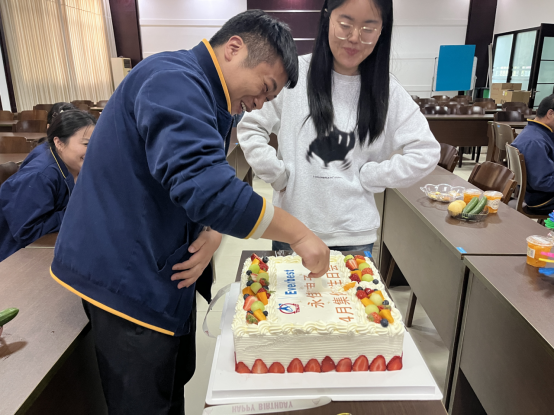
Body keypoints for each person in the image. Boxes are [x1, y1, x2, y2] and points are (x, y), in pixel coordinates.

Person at [50, 11, 329, 415]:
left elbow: (193, 177)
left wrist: (212, 229)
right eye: (264, 89)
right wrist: (299, 234)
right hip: (127, 278)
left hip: (163, 266)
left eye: (268, 100)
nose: (257, 104)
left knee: (171, 384)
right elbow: (207, 188)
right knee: (144, 402)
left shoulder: (211, 94)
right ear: (234, 48)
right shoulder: (172, 80)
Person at [238, 0, 440, 253]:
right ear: (327, 18)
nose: (354, 37)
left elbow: (426, 151)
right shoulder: (294, 75)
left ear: (382, 30)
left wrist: (372, 176)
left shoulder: (388, 91)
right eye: (345, 24)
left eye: (368, 28)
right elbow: (251, 127)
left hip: (354, 235)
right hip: (292, 229)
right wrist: (275, 174)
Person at [0, 110, 95, 262]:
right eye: (86, 144)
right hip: (15, 257)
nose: (94, 150)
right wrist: (77, 212)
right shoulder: (39, 176)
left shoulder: (66, 160)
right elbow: (28, 232)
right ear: (59, 143)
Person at [512, 94, 554, 214]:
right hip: (542, 199)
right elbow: (542, 182)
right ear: (550, 113)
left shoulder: (535, 132)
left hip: (537, 192)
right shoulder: (535, 141)